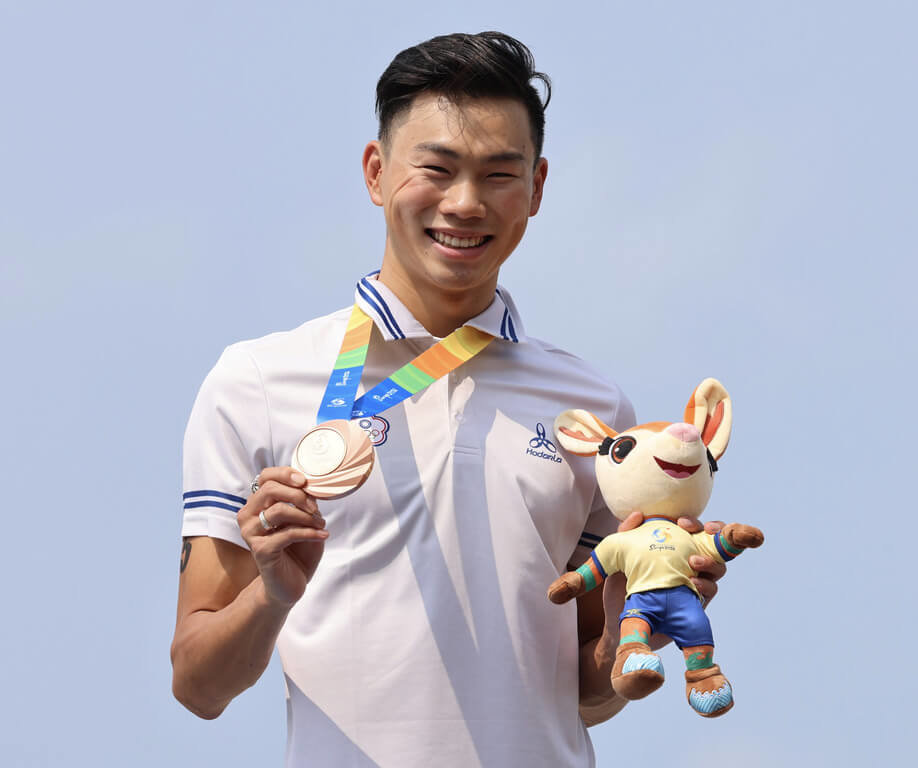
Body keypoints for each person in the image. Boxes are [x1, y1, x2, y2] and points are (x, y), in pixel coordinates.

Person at [171, 31, 726, 768]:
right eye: (435, 169)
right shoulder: (258, 381)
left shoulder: (593, 410)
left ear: (537, 187)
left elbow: (585, 693)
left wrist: (638, 626)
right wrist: (271, 594)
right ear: (376, 173)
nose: (465, 203)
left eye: (500, 174)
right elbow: (198, 684)